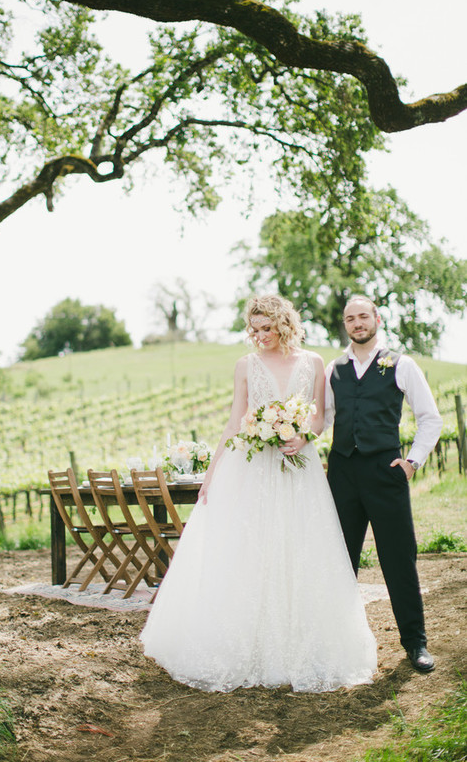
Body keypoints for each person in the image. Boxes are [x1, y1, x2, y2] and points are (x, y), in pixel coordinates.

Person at [140, 295, 377, 693]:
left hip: (298, 470)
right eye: (254, 329)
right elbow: (236, 419)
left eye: (267, 327)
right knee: (249, 549)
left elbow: (319, 415)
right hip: (250, 468)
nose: (260, 335)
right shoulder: (245, 365)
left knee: (300, 548)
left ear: (284, 324)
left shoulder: (314, 362)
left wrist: (302, 436)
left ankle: (302, 644)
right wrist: (212, 474)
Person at [324, 295, 442, 674]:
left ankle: (415, 643)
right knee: (340, 561)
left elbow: (431, 418)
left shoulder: (401, 364)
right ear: (345, 325)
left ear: (376, 318)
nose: (357, 323)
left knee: (398, 559)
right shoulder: (334, 369)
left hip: (385, 472)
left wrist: (412, 462)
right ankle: (335, 644)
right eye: (350, 319)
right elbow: (323, 419)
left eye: (363, 316)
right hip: (342, 475)